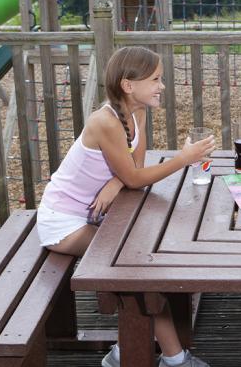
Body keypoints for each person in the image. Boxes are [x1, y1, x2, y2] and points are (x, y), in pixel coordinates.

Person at [36, 46, 216, 367]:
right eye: (156, 79)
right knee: (138, 270)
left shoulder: (138, 111)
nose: (162, 86)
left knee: (150, 253)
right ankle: (173, 359)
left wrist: (117, 180)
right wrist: (183, 159)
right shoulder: (103, 121)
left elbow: (136, 168)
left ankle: (127, 346)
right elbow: (136, 177)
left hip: (97, 213)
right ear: (128, 85)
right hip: (63, 222)